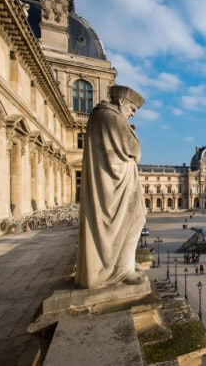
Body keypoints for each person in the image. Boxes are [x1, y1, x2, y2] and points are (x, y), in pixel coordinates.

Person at [75, 85, 147, 289]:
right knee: (134, 221)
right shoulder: (110, 116)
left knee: (133, 221)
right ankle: (121, 269)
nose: (131, 115)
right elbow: (134, 148)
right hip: (115, 184)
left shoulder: (102, 115)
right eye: (132, 110)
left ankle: (121, 266)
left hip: (115, 181)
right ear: (123, 102)